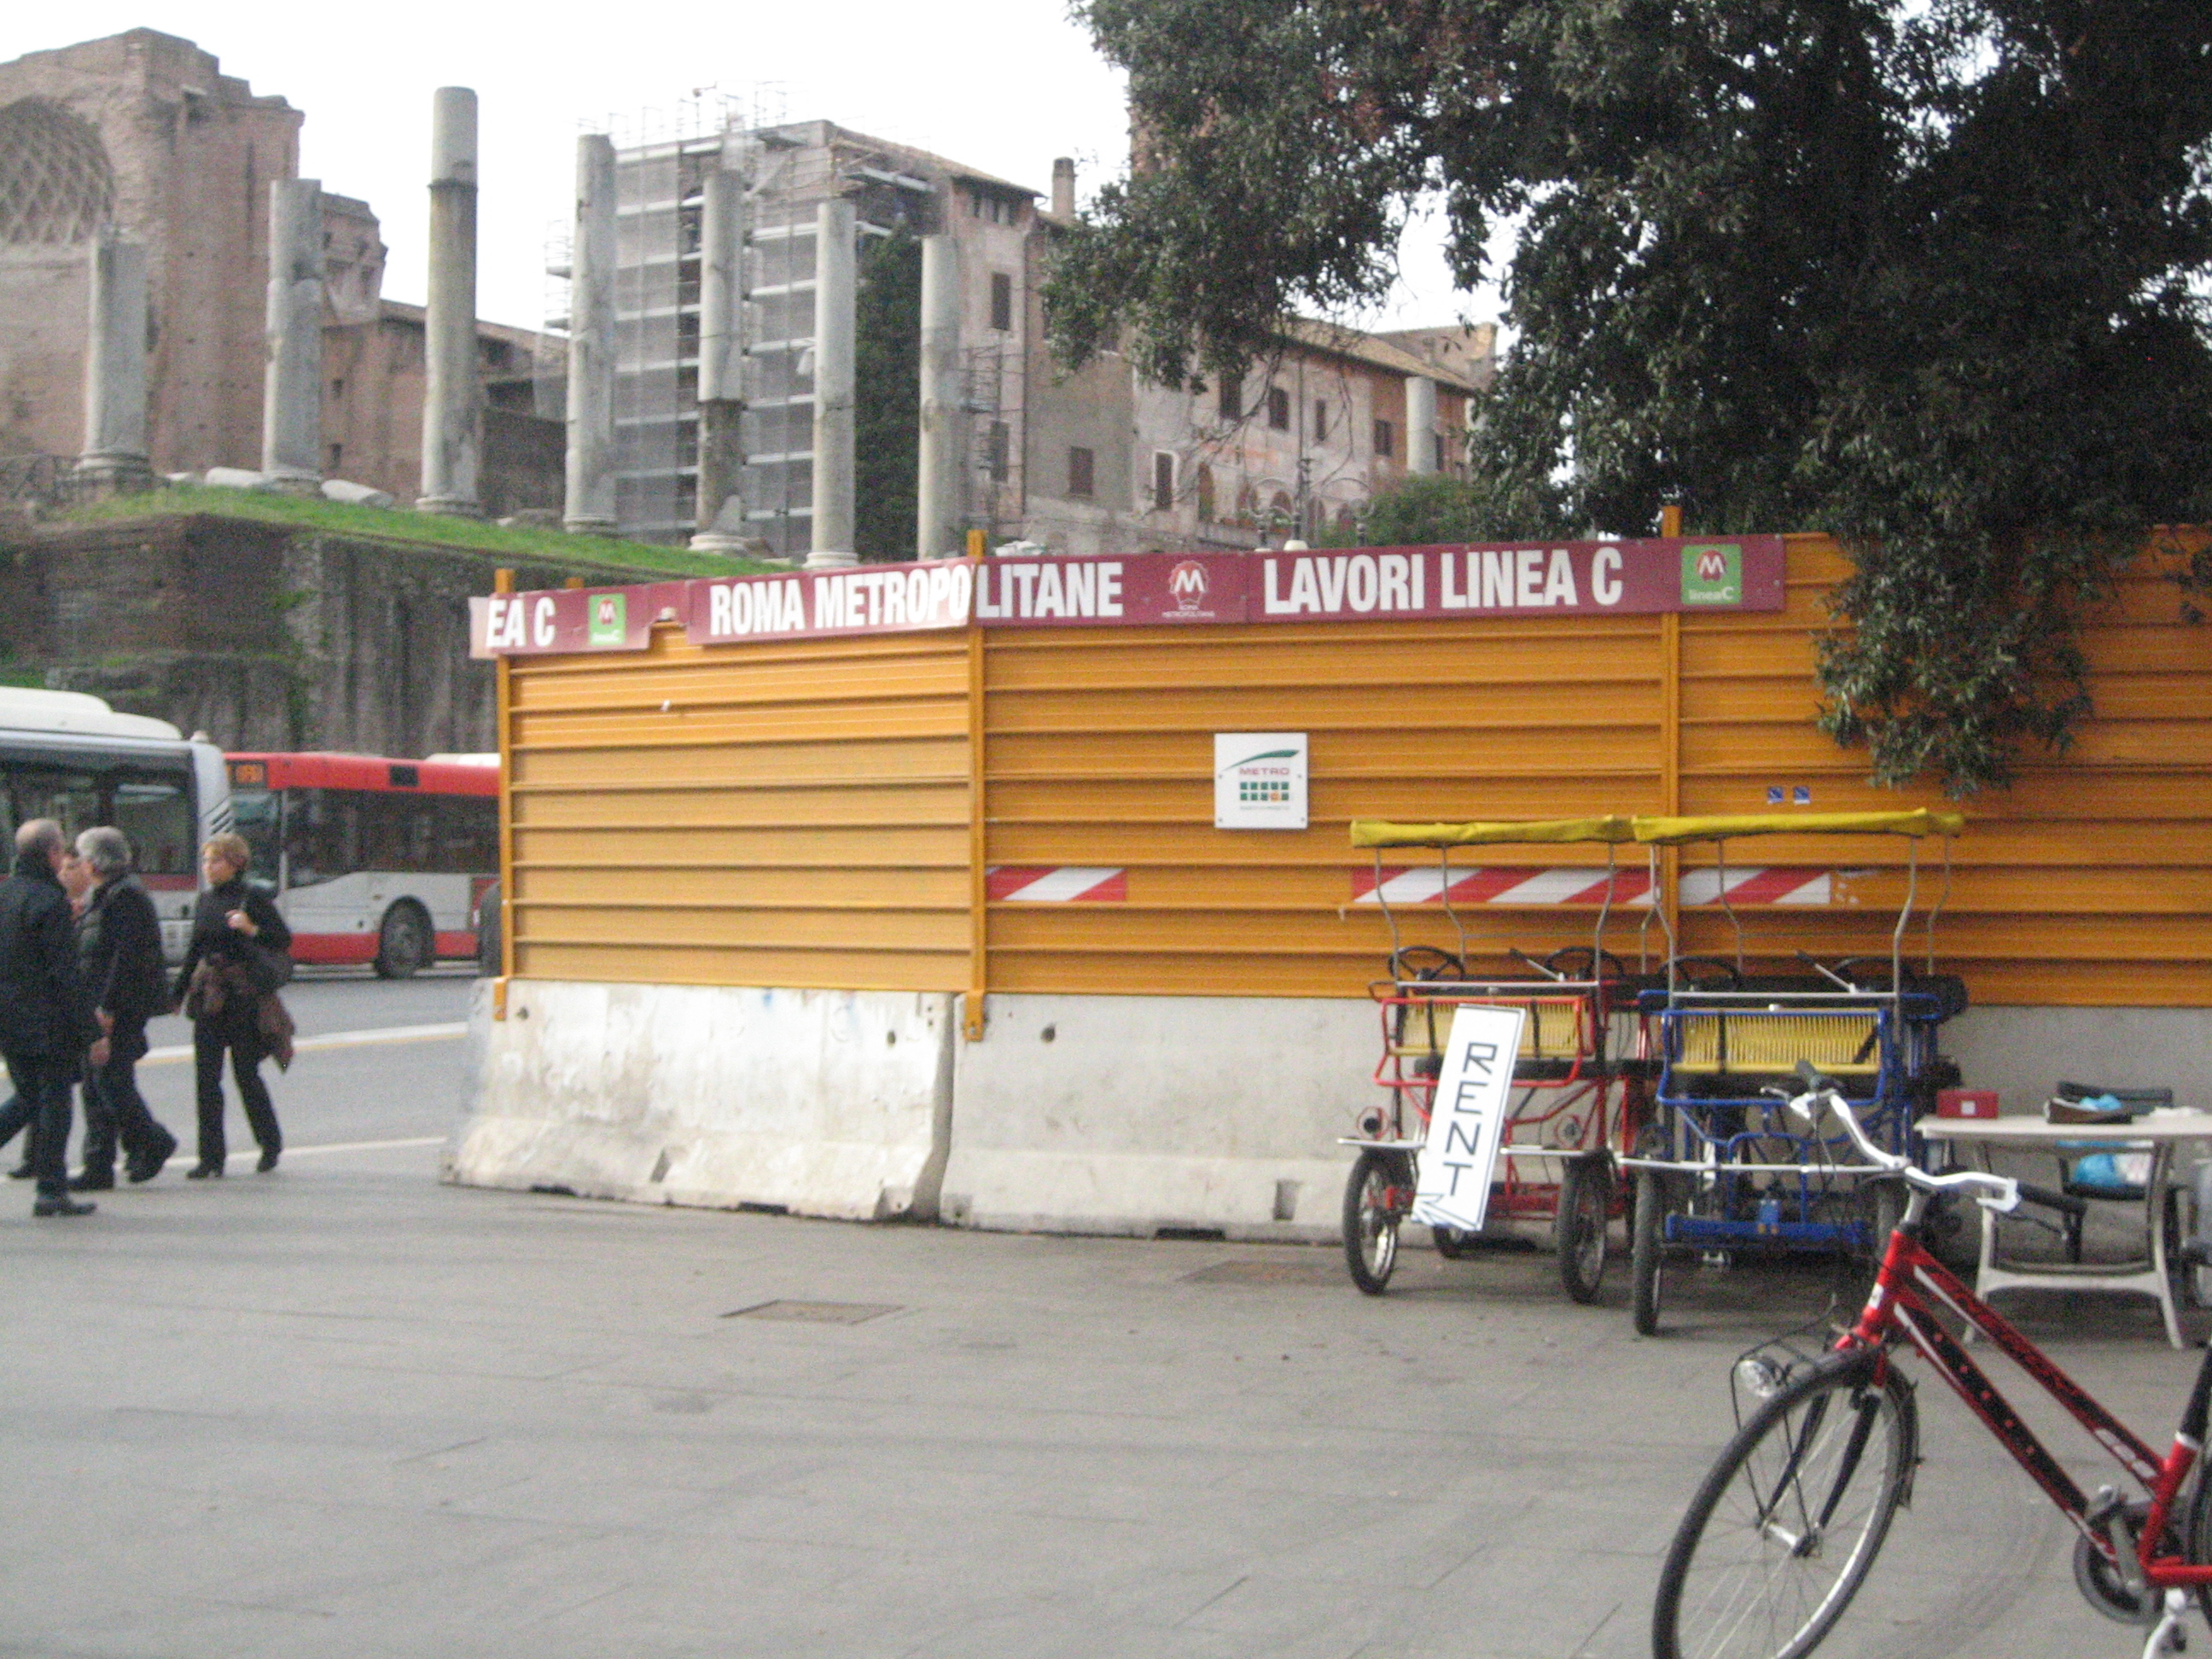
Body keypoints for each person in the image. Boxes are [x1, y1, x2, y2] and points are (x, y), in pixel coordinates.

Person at [174, 832, 291, 1178]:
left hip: (243, 998)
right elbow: (195, 950)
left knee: (245, 1074)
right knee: (206, 1079)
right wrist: (177, 993)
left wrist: (251, 928)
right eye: (206, 861)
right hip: (210, 997)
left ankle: (270, 1144)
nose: (208, 867)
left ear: (236, 864)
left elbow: (282, 939)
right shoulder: (206, 900)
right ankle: (210, 1158)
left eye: (216, 861)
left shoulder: (252, 898)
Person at [0, 819, 101, 1216]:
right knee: (55, 1105)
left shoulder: (5, 893)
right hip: (47, 1022)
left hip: (8, 1018)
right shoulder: (49, 901)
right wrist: (90, 1030)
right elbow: (64, 973)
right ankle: (51, 1190)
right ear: (52, 854)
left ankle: (51, 1188)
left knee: (28, 1097)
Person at [72, 826, 179, 1189]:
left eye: (82, 859)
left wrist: (107, 1007)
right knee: (95, 1083)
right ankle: (99, 1164)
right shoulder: (105, 895)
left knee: (108, 1080)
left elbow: (124, 959)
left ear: (93, 862)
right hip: (102, 1001)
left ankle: (152, 1140)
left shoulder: (124, 897)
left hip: (120, 1005)